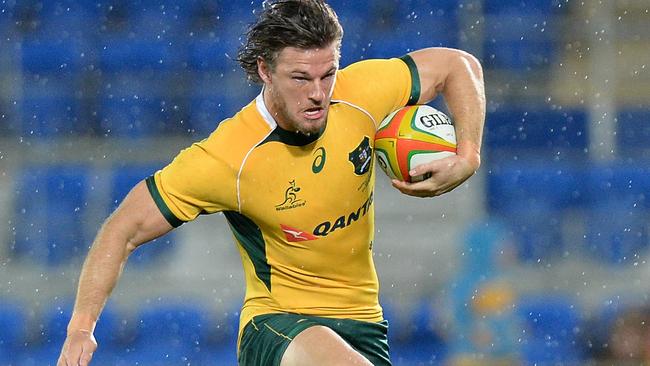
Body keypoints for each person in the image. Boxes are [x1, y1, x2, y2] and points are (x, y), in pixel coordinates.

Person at [57, 1, 485, 365]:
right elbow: (122, 229)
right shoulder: (227, 157)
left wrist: (467, 155)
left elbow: (458, 65)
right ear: (264, 70)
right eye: (300, 78)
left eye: (328, 74)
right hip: (278, 324)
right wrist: (81, 327)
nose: (318, 93)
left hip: (364, 323)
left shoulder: (361, 93)